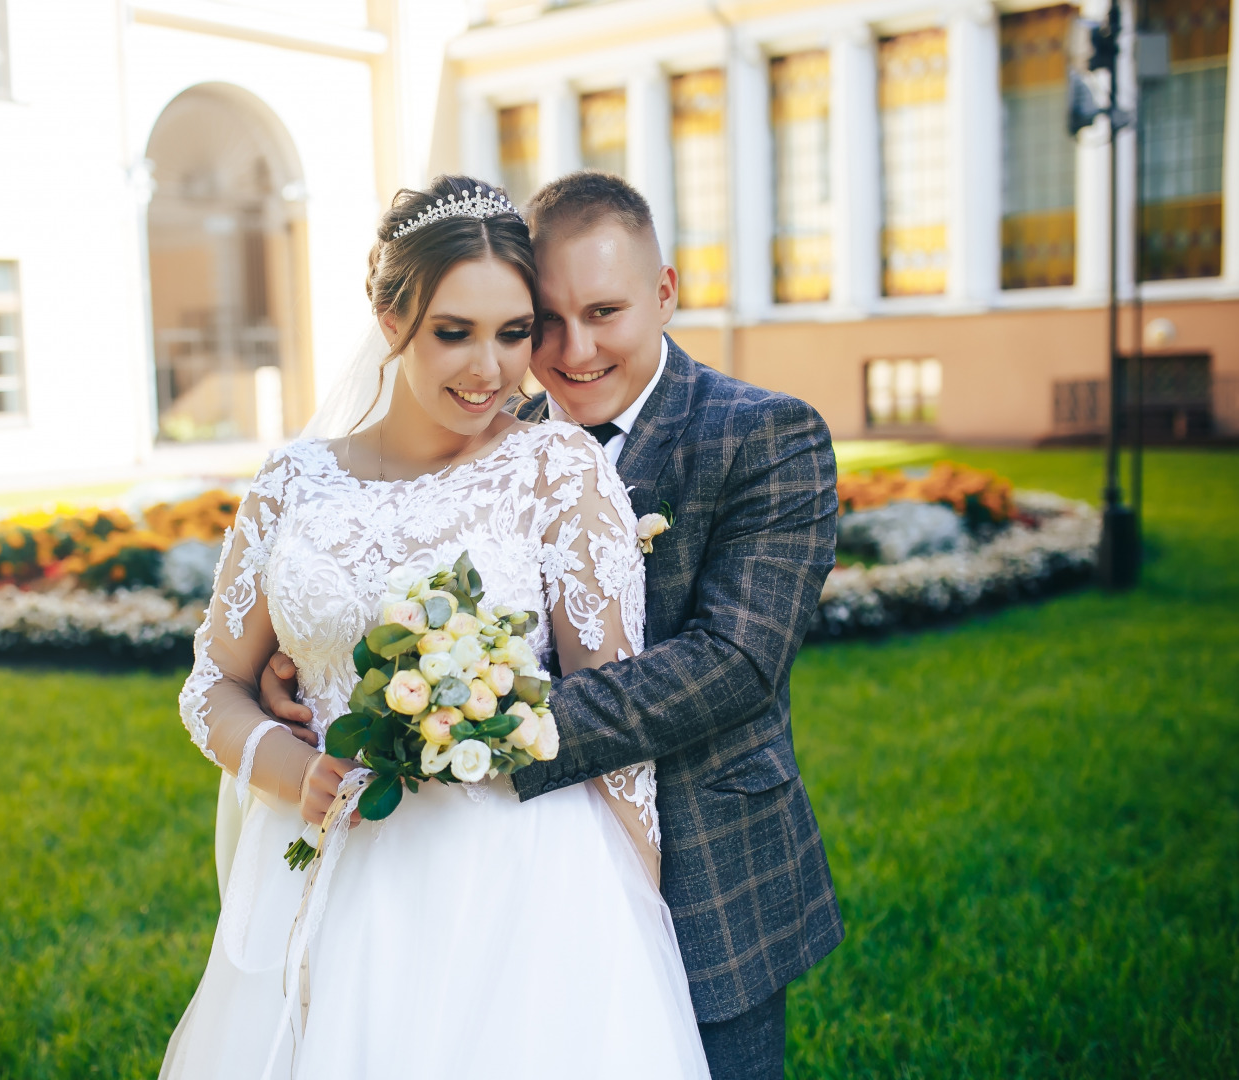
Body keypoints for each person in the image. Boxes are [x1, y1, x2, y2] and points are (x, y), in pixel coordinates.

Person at [261, 172, 844, 1080]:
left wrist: (465, 718)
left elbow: (735, 661)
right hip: (510, 882)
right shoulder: (502, 433)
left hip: (716, 873)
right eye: (548, 320)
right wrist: (313, 665)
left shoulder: (765, 435)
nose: (573, 352)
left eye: (605, 313)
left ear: (665, 293)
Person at [161, 174, 709, 1080]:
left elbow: (616, 721)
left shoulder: (554, 470)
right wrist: (291, 767)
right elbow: (210, 683)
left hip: (517, 886)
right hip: (327, 866)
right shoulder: (294, 484)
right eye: (453, 332)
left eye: (512, 333)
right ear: (390, 317)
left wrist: (635, 914)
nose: (488, 369)